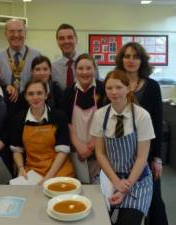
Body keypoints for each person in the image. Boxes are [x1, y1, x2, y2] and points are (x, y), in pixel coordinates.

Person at [91, 69, 154, 225]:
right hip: (110, 178)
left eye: (119, 87)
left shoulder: (141, 116)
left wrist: (125, 187)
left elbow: (141, 158)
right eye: (109, 88)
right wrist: (116, 182)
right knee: (99, 220)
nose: (114, 92)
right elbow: (100, 153)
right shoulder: (100, 115)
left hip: (137, 181)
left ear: (128, 88)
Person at [115, 42, 169, 225]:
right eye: (127, 56)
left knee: (154, 201)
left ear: (142, 61)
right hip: (120, 154)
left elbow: (157, 124)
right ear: (121, 59)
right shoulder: (114, 84)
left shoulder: (152, 86)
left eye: (135, 56)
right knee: (121, 200)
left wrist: (157, 157)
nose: (131, 60)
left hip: (145, 153)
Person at [10, 79, 74, 183]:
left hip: (58, 169)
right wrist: (21, 168)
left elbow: (63, 151)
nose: (35, 97)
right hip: (32, 170)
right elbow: (17, 150)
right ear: (26, 97)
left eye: (39, 93)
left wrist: (48, 178)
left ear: (46, 95)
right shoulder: (19, 119)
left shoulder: (59, 116)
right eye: (31, 94)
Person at [61, 53, 105, 184]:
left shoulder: (103, 89)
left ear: (94, 69)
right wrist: (79, 146)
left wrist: (93, 144)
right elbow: (67, 122)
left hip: (99, 149)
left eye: (88, 68)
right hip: (76, 151)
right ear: (75, 70)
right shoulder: (68, 92)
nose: (84, 72)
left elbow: (107, 120)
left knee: (98, 190)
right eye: (80, 68)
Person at [0, 19, 40, 93]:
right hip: (6, 100)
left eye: (20, 31)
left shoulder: (37, 56)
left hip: (31, 100)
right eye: (12, 31)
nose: (16, 35)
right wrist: (5, 87)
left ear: (25, 33)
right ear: (5, 34)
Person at [52, 23, 80, 91]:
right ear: (57, 42)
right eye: (61, 38)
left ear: (76, 39)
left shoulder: (89, 64)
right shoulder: (52, 68)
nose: (66, 41)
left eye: (70, 37)